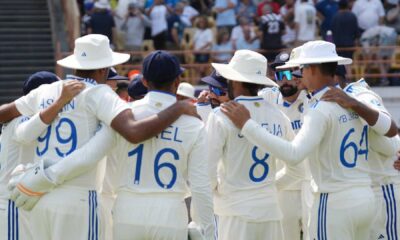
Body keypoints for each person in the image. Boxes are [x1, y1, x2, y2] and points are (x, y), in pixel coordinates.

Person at [0, 34, 197, 240]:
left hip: (38, 196)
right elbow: (134, 132)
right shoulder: (100, 93)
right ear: (104, 68)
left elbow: (3, 113)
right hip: (78, 198)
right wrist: (178, 109)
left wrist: (53, 107)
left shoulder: (47, 90)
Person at [221, 40, 397, 240]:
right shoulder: (352, 101)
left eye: (302, 68)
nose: (298, 74)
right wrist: (355, 104)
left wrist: (248, 125)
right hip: (365, 198)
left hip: (334, 202)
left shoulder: (320, 108)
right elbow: (391, 130)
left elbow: (294, 155)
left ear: (313, 69)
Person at [107, 51, 215, 239]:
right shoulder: (193, 123)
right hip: (170, 211)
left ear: (145, 82)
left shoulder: (124, 114)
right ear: (177, 82)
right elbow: (200, 186)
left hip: (127, 207)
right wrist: (209, 230)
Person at [208, 50, 289, 240]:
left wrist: (219, 190)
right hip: (270, 210)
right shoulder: (278, 115)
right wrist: (269, 187)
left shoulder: (221, 114)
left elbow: (206, 172)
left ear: (234, 80)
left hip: (235, 212)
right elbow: (297, 168)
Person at [0, 72, 83, 240]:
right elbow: (25, 134)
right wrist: (60, 102)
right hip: (11, 204)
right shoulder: (23, 119)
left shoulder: (25, 117)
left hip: (20, 200)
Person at [258, 50, 310, 240]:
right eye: (280, 75)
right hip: (283, 185)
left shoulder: (313, 99)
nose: (285, 80)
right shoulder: (267, 98)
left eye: (290, 74)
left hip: (310, 183)